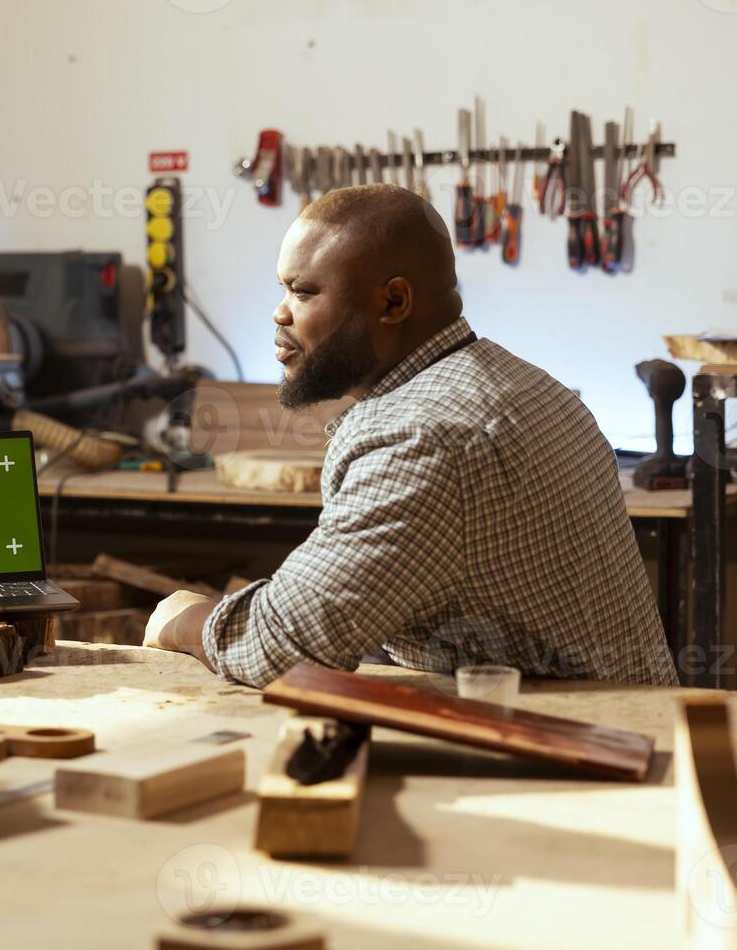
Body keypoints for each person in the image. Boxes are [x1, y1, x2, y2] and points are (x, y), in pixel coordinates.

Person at [144, 184, 677, 687]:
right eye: (283, 288)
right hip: (623, 726)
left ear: (394, 302)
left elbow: (284, 646)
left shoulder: (420, 438)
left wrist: (184, 617)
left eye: (303, 291)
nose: (279, 312)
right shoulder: (533, 386)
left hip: (583, 754)